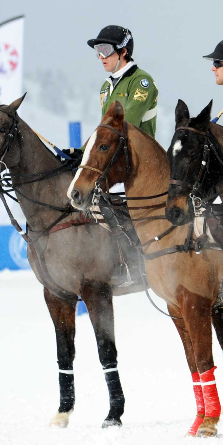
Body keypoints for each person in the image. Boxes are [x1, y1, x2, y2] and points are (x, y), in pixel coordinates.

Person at [85, 25, 160, 286]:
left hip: (140, 163)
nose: (101, 56)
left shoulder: (142, 82)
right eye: (98, 51)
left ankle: (138, 263)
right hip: (116, 161)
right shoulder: (106, 88)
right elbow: (104, 133)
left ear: (123, 51)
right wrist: (82, 153)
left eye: (105, 50)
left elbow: (127, 126)